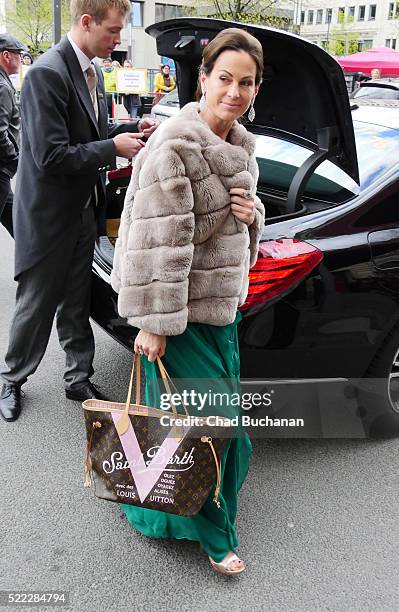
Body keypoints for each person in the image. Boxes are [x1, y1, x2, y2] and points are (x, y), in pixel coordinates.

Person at [111, 28, 265, 575]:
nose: (234, 91)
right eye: (224, 78)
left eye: (246, 82)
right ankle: (216, 538)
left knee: (216, 430)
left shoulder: (243, 146)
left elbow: (240, 236)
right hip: (175, 320)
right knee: (211, 428)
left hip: (221, 313)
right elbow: (155, 241)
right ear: (202, 78)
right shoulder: (177, 144)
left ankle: (167, 514)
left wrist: (253, 221)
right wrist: (152, 323)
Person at [0, 0, 158, 423]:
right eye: (112, 31)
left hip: (84, 209)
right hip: (49, 217)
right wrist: (112, 149)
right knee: (36, 303)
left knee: (77, 299)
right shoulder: (46, 73)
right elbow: (50, 155)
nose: (118, 39)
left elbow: (93, 133)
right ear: (86, 23)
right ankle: (11, 379)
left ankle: (77, 379)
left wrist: (127, 131)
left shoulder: (92, 70)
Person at [0, 34, 25, 237]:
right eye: (18, 54)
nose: (21, 58)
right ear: (6, 55)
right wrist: (13, 158)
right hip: (1, 168)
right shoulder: (3, 87)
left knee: (20, 223)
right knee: (21, 224)